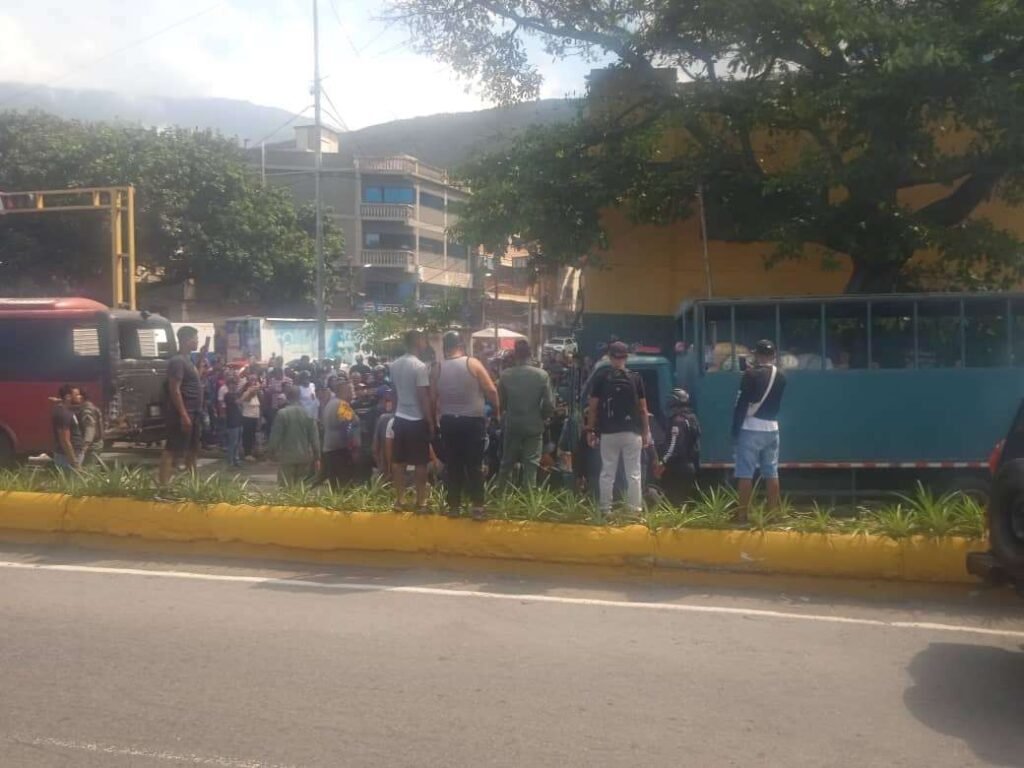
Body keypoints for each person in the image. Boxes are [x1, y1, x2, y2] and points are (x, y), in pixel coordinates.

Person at [434, 331, 500, 517]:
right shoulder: (472, 363)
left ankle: (454, 507)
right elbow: (491, 391)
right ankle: (477, 507)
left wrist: (434, 420)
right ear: (461, 345)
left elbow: (432, 398)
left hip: (448, 422)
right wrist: (497, 411)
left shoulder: (437, 368)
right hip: (472, 422)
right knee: (474, 464)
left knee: (453, 464)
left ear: (445, 348)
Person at [586, 341, 651, 517]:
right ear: (626, 357)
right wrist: (646, 432)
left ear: (610, 356)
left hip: (609, 433)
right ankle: (634, 511)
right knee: (634, 473)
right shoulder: (635, 378)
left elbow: (593, 407)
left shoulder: (602, 377)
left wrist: (590, 430)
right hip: (632, 432)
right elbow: (643, 409)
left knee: (607, 472)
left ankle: (605, 509)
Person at [732, 339, 787, 522]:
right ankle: (773, 514)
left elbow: (741, 404)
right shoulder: (781, 376)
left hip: (750, 428)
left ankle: (742, 515)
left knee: (745, 473)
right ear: (773, 355)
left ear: (757, 355)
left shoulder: (750, 375)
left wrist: (735, 429)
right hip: (772, 428)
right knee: (771, 472)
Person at [497, 340, 554, 489]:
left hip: (512, 423)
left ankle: (501, 497)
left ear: (515, 354)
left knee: (507, 462)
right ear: (531, 354)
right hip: (534, 425)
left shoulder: (505, 375)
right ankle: (528, 501)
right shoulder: (542, 375)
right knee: (531, 465)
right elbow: (549, 404)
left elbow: (501, 402)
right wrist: (543, 416)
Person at [389, 330, 434, 512]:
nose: (425, 343)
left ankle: (399, 501)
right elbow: (423, 397)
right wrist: (430, 422)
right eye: (423, 340)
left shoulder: (394, 365)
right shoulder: (420, 366)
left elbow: (393, 394)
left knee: (398, 462)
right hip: (416, 420)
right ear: (417, 342)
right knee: (420, 463)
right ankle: (421, 502)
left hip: (399, 417)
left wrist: (394, 414)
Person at [159, 326, 203, 486]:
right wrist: (183, 414)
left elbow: (194, 378)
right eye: (195, 338)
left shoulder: (188, 360)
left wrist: (202, 359)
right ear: (186, 340)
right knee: (172, 450)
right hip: (184, 413)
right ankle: (163, 486)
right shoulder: (177, 361)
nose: (197, 341)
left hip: (195, 412)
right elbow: (174, 389)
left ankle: (194, 485)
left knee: (192, 451)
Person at [267, 386, 321, 486]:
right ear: (299, 396)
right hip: (305, 456)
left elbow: (275, 437)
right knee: (301, 489)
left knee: (285, 489)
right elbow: (315, 438)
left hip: (287, 457)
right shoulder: (308, 414)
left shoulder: (282, 414)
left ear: (287, 397)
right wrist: (317, 456)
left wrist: (271, 452)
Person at [656, 388, 702, 505]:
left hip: (678, 467)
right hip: (690, 464)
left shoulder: (678, 421)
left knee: (674, 501)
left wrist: (663, 462)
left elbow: (674, 445)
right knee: (683, 501)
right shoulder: (692, 418)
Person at [316, 377, 361, 487]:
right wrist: (353, 449)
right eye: (351, 390)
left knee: (335, 485)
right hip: (341, 452)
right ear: (344, 391)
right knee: (344, 485)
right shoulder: (342, 405)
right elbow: (347, 427)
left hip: (330, 450)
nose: (353, 393)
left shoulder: (331, 404)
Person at [52, 384, 83, 471]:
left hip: (68, 457)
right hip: (67, 459)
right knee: (73, 483)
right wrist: (75, 464)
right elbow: (65, 441)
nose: (80, 397)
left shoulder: (63, 410)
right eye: (76, 395)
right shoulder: (64, 414)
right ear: (68, 397)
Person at [371, 388, 396, 477]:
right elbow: (375, 448)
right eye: (386, 400)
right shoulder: (383, 419)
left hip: (387, 472)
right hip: (403, 471)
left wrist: (381, 467)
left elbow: (374, 448)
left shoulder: (383, 418)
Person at [77, 390, 103, 466]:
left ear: (81, 397)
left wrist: (85, 446)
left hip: (91, 445)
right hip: (96, 443)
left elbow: (89, 427)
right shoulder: (93, 407)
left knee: (88, 469)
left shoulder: (87, 410)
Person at [240, 374, 262, 461]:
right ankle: (247, 453)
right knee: (247, 435)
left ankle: (252, 452)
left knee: (253, 435)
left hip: (255, 416)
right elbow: (248, 398)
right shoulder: (246, 392)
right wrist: (255, 389)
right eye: (252, 380)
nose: (254, 382)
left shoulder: (257, 393)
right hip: (247, 417)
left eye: (255, 380)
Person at [223, 377, 243, 468]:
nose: (234, 385)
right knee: (233, 442)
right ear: (229, 384)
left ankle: (236, 459)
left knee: (238, 443)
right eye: (232, 383)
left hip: (239, 420)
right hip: (232, 421)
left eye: (235, 383)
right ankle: (230, 460)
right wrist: (248, 393)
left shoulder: (236, 394)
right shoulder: (228, 395)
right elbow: (238, 402)